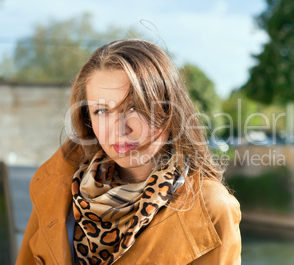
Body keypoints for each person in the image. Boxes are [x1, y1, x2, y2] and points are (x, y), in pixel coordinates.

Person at [16, 39, 241, 265]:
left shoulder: (211, 208)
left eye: (133, 107)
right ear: (87, 118)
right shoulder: (56, 185)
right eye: (101, 111)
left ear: (170, 110)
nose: (118, 129)